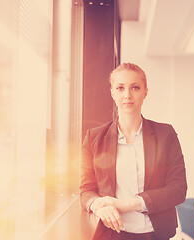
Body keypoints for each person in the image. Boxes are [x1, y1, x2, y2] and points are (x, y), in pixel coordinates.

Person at [80, 63, 187, 240]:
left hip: (155, 234)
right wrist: (99, 205)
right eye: (120, 88)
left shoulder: (165, 134)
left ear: (145, 92)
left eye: (135, 88)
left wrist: (126, 204)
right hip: (110, 234)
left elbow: (178, 189)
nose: (127, 95)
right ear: (112, 93)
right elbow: (86, 190)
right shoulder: (94, 137)